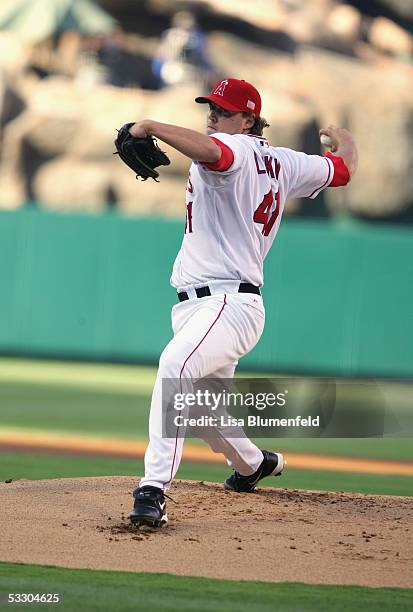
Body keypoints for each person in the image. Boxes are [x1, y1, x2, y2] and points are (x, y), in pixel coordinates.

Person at [127, 78, 358, 527]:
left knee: (175, 368)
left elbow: (217, 153)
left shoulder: (238, 150)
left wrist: (151, 125)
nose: (213, 115)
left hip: (226, 304)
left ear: (248, 120)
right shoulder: (287, 162)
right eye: (211, 106)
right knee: (203, 411)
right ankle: (254, 464)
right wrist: (346, 142)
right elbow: (341, 171)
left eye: (224, 109)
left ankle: (152, 489)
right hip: (213, 306)